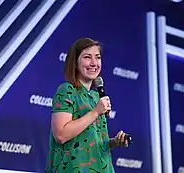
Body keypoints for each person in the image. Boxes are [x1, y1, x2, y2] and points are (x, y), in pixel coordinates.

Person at [45, 37, 129, 173]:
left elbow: (97, 142)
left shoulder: (96, 97)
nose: (94, 63)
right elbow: (61, 135)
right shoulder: (67, 90)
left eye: (98, 57)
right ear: (75, 63)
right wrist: (95, 112)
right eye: (87, 57)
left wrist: (115, 142)